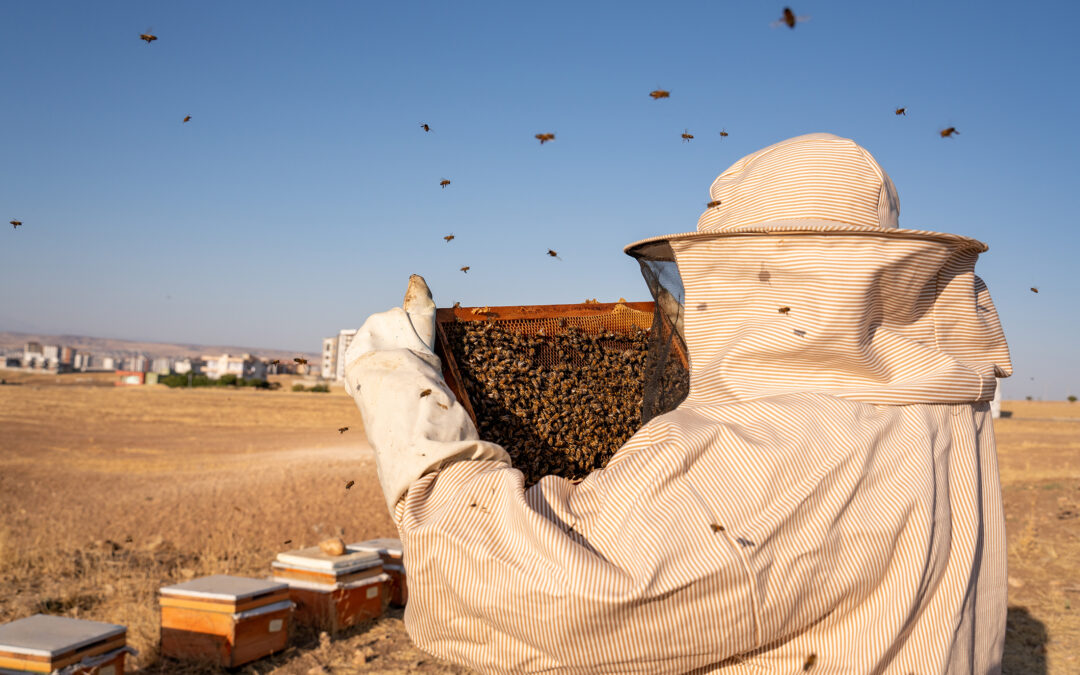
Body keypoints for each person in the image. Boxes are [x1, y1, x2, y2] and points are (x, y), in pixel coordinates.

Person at [344, 133, 1012, 673]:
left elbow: (529, 597)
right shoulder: (938, 407)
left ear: (763, 272)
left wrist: (398, 382)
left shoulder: (763, 445)